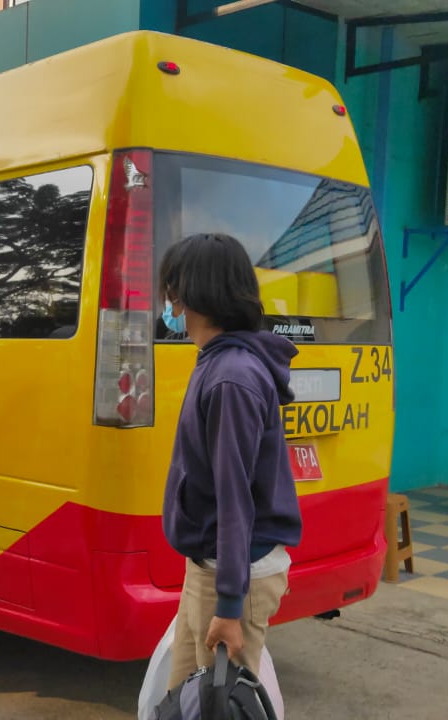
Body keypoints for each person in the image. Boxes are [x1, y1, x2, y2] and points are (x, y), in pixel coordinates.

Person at [158, 233, 303, 690]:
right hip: (209, 567)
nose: (169, 302)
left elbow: (234, 499)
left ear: (191, 292)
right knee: (179, 701)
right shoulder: (217, 362)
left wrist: (228, 606)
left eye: (173, 290)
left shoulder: (231, 378)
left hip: (231, 574)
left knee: (219, 704)